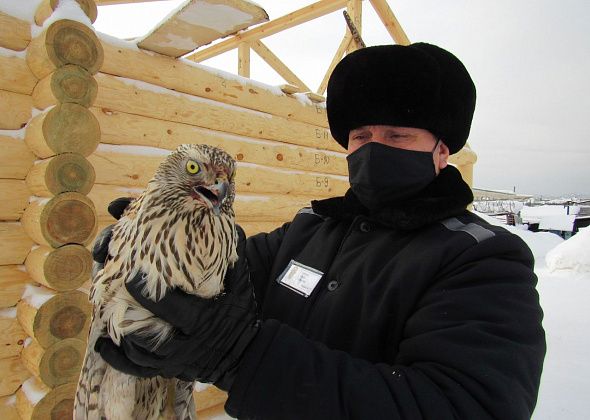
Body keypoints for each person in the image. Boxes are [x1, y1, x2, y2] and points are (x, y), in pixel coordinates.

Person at [94, 43, 546, 419]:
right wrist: (157, 237)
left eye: (397, 136)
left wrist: (240, 357)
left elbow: (463, 408)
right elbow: (220, 284)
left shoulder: (484, 259)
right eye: (361, 135)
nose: (373, 149)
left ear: (442, 151)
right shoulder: (308, 231)